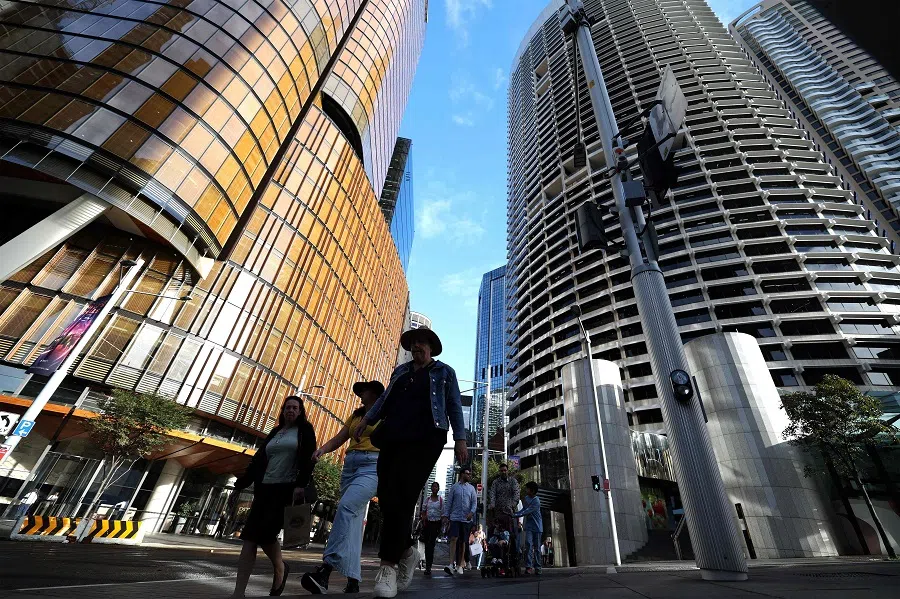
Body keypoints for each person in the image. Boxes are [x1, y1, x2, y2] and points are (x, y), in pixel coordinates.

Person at [353, 327, 467, 598]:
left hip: (426, 439)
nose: (416, 347)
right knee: (387, 498)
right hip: (393, 436)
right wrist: (367, 419)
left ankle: (388, 567)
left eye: (421, 343)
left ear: (431, 348)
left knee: (404, 497)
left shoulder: (444, 372)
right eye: (413, 344)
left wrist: (460, 439)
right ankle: (407, 550)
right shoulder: (400, 372)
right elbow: (383, 400)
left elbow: (453, 406)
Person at [301, 380, 384, 594]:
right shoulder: (356, 416)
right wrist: (322, 450)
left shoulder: (385, 414)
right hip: (350, 467)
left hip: (372, 466)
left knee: (346, 508)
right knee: (353, 522)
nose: (360, 394)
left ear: (374, 393)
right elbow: (339, 438)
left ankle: (325, 571)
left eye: (363, 390)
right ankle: (354, 580)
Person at [229, 396, 317, 598]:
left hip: (285, 491)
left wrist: (301, 484)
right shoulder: (275, 432)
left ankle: (279, 568)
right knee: (250, 539)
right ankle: (238, 593)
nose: (291, 411)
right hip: (264, 489)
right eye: (287, 407)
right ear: (283, 410)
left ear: (301, 411)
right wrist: (242, 483)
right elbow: (259, 459)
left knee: (267, 535)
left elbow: (308, 459)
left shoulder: (305, 430)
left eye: (295, 408)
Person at [442, 466, 477, 577]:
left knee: (462, 542)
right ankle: (451, 564)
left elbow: (474, 503)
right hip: (455, 518)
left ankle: (460, 565)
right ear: (462, 474)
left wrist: (471, 513)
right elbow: (449, 502)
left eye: (470, 474)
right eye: (467, 473)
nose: (469, 475)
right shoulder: (454, 487)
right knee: (453, 539)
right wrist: (446, 515)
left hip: (466, 520)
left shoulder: (471, 488)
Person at [513, 482, 543, 576]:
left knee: (537, 548)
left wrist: (515, 515)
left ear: (533, 490)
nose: (526, 491)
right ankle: (528, 567)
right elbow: (523, 510)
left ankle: (538, 567)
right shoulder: (526, 498)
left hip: (537, 527)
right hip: (529, 526)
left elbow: (527, 511)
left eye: (528, 489)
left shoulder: (536, 500)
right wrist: (516, 514)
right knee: (528, 545)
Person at [488, 463, 520, 549]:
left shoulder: (513, 481)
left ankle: (515, 551)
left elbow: (516, 495)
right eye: (501, 471)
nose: (503, 472)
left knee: (512, 533)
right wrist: (492, 504)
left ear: (507, 471)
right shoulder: (495, 482)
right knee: (496, 533)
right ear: (499, 471)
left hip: (510, 513)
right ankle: (497, 555)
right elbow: (492, 494)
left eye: (505, 470)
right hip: (498, 513)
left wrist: (512, 505)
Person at [420, 482, 443, 575]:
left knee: (431, 544)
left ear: (438, 489)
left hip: (436, 524)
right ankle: (427, 565)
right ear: (431, 488)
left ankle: (429, 565)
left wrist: (442, 525)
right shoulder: (427, 499)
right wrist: (423, 517)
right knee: (427, 544)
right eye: (433, 486)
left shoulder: (440, 500)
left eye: (436, 487)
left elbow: (443, 513)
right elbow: (423, 510)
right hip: (427, 523)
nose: (434, 488)